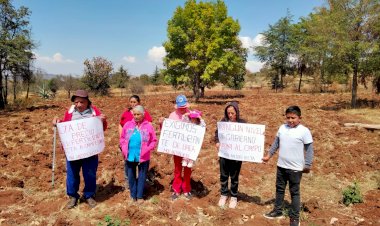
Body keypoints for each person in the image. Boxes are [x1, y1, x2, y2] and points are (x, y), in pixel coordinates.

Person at [52, 90, 107, 209]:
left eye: (82, 102)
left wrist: (103, 120)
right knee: (72, 174)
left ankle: (89, 195)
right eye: (76, 102)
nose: (79, 104)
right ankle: (73, 196)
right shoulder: (69, 113)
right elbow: (64, 126)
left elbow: (103, 128)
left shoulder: (94, 112)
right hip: (73, 151)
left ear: (87, 102)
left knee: (90, 173)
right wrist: (58, 122)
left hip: (90, 151)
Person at [262, 106, 314, 226]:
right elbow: (276, 143)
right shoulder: (282, 128)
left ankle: (295, 218)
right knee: (279, 189)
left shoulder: (304, 131)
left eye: (293, 118)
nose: (290, 120)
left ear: (300, 118)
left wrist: (307, 164)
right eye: (288, 117)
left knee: (294, 192)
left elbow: (309, 149)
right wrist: (268, 156)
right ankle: (277, 211)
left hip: (295, 169)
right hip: (281, 166)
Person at [120, 105, 157, 203]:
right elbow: (122, 138)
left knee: (142, 176)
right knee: (131, 175)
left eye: (138, 114)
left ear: (143, 114)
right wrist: (124, 149)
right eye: (134, 114)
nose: (136, 116)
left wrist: (148, 148)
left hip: (143, 156)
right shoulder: (128, 125)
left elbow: (154, 140)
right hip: (130, 155)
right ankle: (133, 195)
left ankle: (139, 196)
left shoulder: (148, 126)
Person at [214, 101, 246, 209]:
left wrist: (258, 136)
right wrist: (217, 141)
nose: (230, 115)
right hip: (224, 154)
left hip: (236, 156)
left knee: (234, 176)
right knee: (223, 175)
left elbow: (249, 137)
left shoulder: (242, 124)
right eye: (228, 113)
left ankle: (233, 196)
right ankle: (223, 194)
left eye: (233, 113)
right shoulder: (223, 122)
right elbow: (217, 134)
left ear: (237, 112)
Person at [119, 95, 153, 189]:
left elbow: (149, 125)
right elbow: (121, 125)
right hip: (128, 144)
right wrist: (122, 140)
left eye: (135, 102)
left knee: (142, 163)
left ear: (138, 102)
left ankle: (142, 182)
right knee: (128, 162)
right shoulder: (126, 113)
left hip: (141, 145)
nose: (133, 104)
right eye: (131, 102)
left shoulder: (143, 112)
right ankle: (129, 181)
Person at [165, 94, 192, 200]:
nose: (182, 109)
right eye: (180, 108)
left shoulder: (191, 115)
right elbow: (167, 130)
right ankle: (176, 190)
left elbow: (198, 127)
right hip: (177, 147)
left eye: (184, 107)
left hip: (188, 148)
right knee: (177, 169)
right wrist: (162, 123)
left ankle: (186, 189)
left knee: (188, 168)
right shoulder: (172, 116)